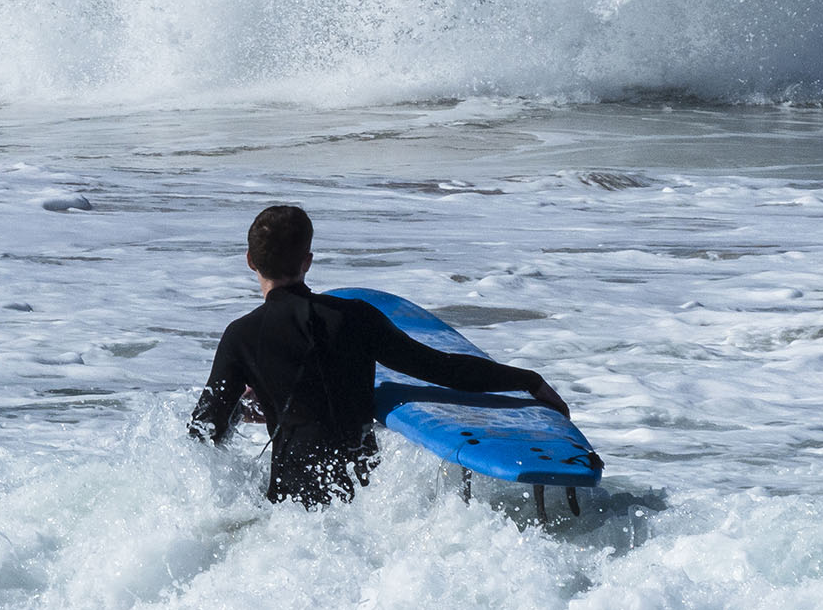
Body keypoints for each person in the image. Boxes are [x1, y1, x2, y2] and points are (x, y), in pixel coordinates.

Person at [190, 205, 571, 507]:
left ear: (250, 261)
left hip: (289, 502)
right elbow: (442, 369)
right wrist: (529, 381)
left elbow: (204, 431)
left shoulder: (240, 335)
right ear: (307, 261)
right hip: (365, 495)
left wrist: (245, 408)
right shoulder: (355, 317)